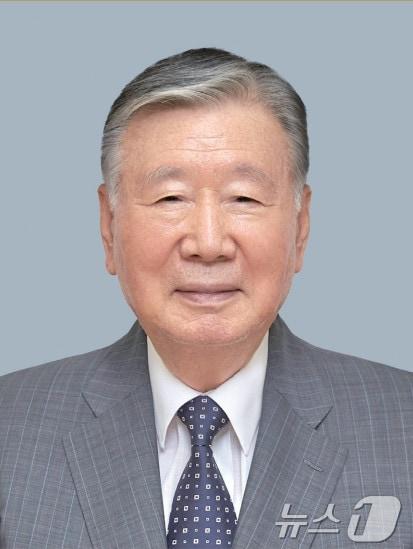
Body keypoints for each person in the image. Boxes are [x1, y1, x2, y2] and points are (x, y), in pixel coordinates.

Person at [0, 48, 411, 549]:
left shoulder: (402, 427)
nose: (209, 243)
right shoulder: (10, 428)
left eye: (244, 198)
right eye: (171, 198)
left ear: (300, 227)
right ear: (108, 227)